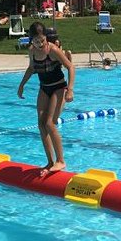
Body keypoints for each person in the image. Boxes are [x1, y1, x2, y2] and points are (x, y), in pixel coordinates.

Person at [17, 22, 75, 176]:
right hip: (44, 88)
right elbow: (31, 68)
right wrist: (21, 85)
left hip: (59, 87)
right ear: (31, 40)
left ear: (46, 38)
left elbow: (70, 66)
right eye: (36, 41)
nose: (40, 44)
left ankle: (61, 160)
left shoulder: (53, 50)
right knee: (41, 124)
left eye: (42, 40)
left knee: (50, 123)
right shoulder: (32, 51)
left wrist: (70, 89)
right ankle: (50, 161)